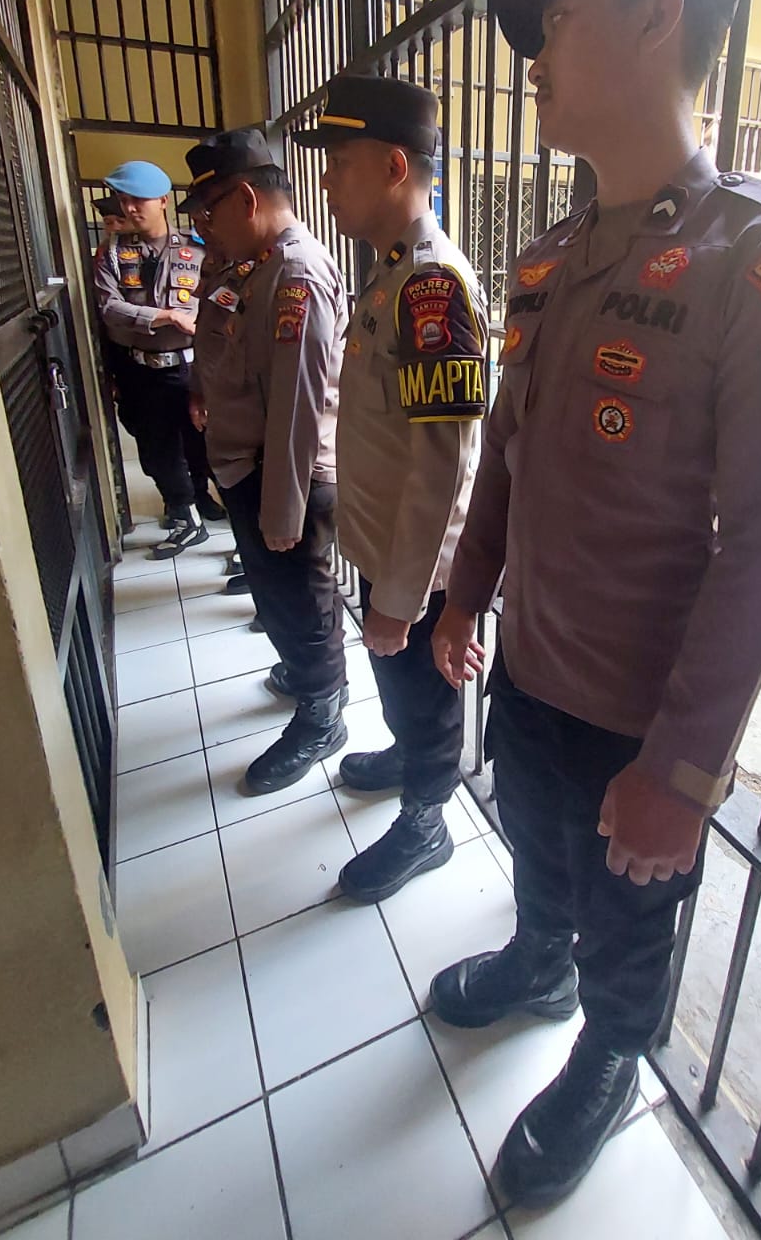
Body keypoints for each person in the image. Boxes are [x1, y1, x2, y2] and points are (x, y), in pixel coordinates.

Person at [429, 0, 761, 1209]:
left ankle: (612, 1053)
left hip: (640, 711)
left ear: (656, 14)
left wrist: (683, 768)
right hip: (532, 671)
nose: (534, 59)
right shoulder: (553, 259)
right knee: (538, 852)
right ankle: (536, 963)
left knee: (628, 917)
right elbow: (508, 450)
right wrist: (464, 595)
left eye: (556, 21)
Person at [293, 75, 488, 903]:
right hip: (383, 548)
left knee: (422, 692)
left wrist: (402, 599)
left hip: (421, 566)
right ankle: (409, 756)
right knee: (398, 685)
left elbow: (443, 468)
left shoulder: (433, 288)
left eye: (340, 161)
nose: (327, 179)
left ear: (393, 166)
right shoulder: (389, 277)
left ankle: (427, 818)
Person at [182, 128, 349, 793]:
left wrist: (283, 508)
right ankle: (307, 674)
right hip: (247, 467)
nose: (203, 226)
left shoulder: (295, 275)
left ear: (246, 200)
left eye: (209, 211)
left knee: (301, 601)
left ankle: (324, 712)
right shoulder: (249, 262)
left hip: (285, 476)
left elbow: (299, 406)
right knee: (276, 596)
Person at [92, 160, 224, 557]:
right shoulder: (114, 251)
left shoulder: (198, 248)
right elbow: (109, 307)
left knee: (203, 441)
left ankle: (200, 500)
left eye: (140, 200)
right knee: (156, 449)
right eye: (124, 200)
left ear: (163, 201)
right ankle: (183, 514)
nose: (131, 208)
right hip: (141, 369)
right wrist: (164, 316)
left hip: (191, 366)